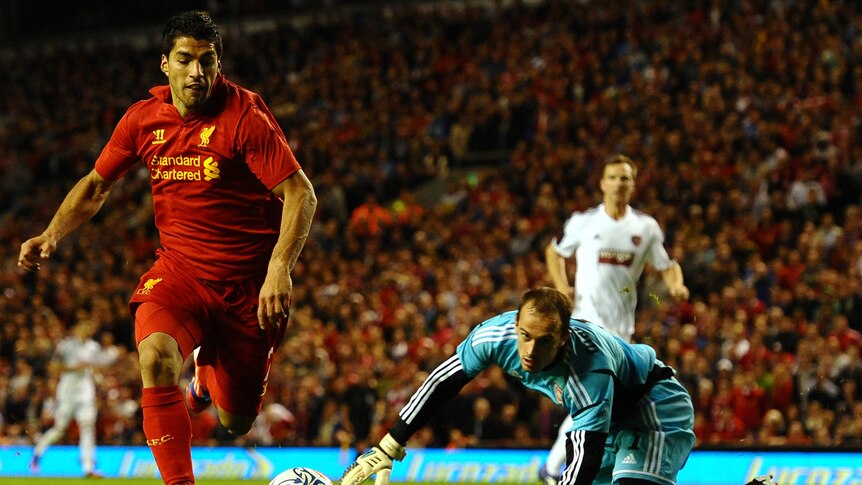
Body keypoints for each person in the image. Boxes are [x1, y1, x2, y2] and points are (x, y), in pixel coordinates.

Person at [17, 11, 316, 485]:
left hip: (247, 287)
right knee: (154, 355)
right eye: (185, 60)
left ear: (218, 64)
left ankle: (201, 380)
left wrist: (280, 269)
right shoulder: (142, 120)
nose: (197, 72)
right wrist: (51, 233)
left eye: (207, 61)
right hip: (180, 273)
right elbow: (97, 185)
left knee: (235, 422)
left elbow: (301, 193)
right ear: (165, 64)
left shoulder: (246, 118)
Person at [340, 287, 695, 485]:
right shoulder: (494, 336)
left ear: (563, 339)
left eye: (543, 341)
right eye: (524, 336)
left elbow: (585, 457)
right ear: (515, 325)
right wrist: (390, 444)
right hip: (609, 421)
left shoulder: (590, 371)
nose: (530, 351)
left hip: (652, 409)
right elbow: (442, 382)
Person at [541, 154, 690, 484]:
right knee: (596, 398)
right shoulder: (584, 222)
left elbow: (667, 265)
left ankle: (566, 467)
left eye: (626, 177)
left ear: (633, 184)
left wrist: (676, 285)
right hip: (586, 324)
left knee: (598, 403)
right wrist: (563, 286)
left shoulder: (645, 228)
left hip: (622, 334)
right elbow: (555, 251)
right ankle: (554, 468)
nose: (620, 183)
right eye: (614, 177)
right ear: (602, 183)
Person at [30, 319, 119, 478]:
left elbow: (98, 365)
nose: (87, 329)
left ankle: (88, 468)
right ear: (77, 328)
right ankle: (37, 454)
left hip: (85, 392)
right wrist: (74, 368)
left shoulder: (93, 347)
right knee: (59, 429)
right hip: (67, 392)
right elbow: (53, 367)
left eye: (89, 326)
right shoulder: (66, 345)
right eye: (84, 326)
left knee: (87, 426)